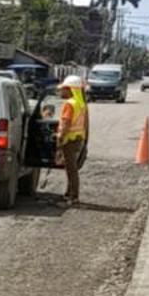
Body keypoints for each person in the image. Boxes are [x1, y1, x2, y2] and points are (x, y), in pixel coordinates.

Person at [55, 72, 88, 205]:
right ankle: (69, 193)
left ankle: (73, 196)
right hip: (78, 139)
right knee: (72, 168)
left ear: (70, 90)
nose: (61, 91)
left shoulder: (70, 104)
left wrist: (60, 137)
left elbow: (66, 123)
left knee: (71, 169)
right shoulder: (81, 104)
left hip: (69, 139)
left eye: (64, 88)